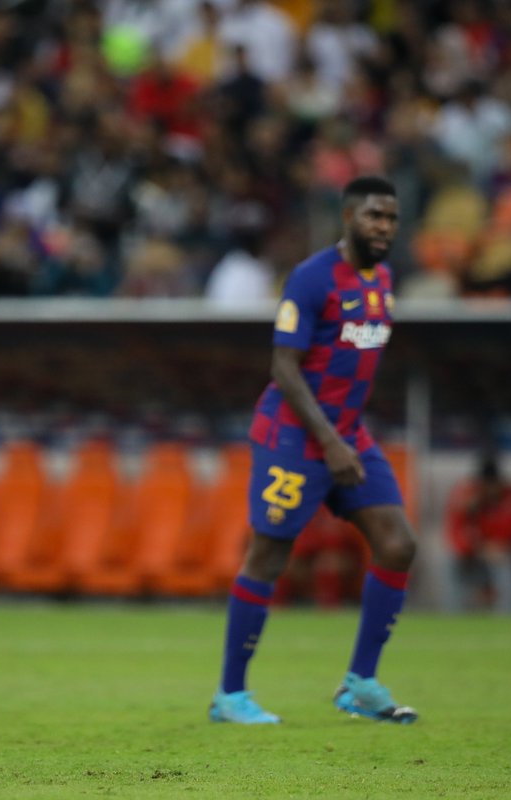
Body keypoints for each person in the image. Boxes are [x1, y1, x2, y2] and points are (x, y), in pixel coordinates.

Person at [210, 176, 418, 725]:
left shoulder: (384, 280)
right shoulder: (310, 278)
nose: (384, 227)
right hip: (294, 437)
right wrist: (328, 442)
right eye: (374, 215)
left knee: (398, 544)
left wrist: (343, 436)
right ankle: (230, 695)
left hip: (348, 434)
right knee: (269, 555)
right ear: (348, 218)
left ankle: (360, 683)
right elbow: (284, 368)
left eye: (392, 218)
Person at [445, 458, 511, 613]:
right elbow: (456, 538)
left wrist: (495, 548)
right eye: (485, 484)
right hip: (478, 557)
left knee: (504, 564)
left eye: (493, 484)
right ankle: (453, 616)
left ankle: (507, 618)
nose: (490, 489)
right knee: (451, 563)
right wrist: (480, 548)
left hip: (510, 556)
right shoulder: (468, 498)